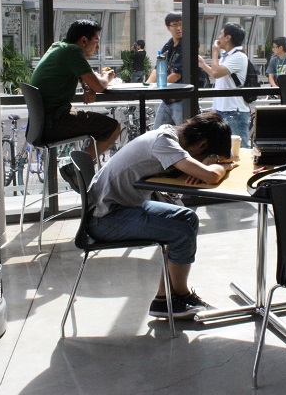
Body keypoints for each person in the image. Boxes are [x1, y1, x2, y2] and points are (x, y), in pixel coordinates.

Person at [86, 113, 238, 318]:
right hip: (104, 219)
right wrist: (219, 165)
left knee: (187, 218)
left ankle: (164, 299)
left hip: (115, 208)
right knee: (180, 230)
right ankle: (180, 296)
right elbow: (211, 176)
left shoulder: (168, 134)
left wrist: (200, 166)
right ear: (201, 144)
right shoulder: (164, 143)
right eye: (208, 154)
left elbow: (199, 170)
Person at [29, 19, 121, 193]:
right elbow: (100, 86)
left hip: (40, 124)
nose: (98, 47)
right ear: (84, 40)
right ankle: (76, 169)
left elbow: (80, 75)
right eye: (96, 42)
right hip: (54, 122)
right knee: (112, 127)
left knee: (96, 124)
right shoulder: (73, 52)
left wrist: (86, 86)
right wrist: (107, 77)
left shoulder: (58, 47)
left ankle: (82, 173)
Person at [198, 22, 252, 148]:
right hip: (222, 109)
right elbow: (215, 73)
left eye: (221, 34)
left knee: (239, 149)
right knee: (224, 148)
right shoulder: (227, 56)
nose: (218, 37)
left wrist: (215, 52)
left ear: (228, 38)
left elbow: (216, 72)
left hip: (234, 111)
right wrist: (203, 65)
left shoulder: (239, 56)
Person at [148, 12, 184, 128]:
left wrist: (158, 86)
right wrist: (147, 85)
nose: (179, 28)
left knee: (184, 135)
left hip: (182, 100)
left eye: (181, 24)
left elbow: (176, 75)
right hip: (167, 100)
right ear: (168, 27)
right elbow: (158, 68)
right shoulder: (169, 45)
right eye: (175, 25)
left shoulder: (187, 44)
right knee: (158, 134)